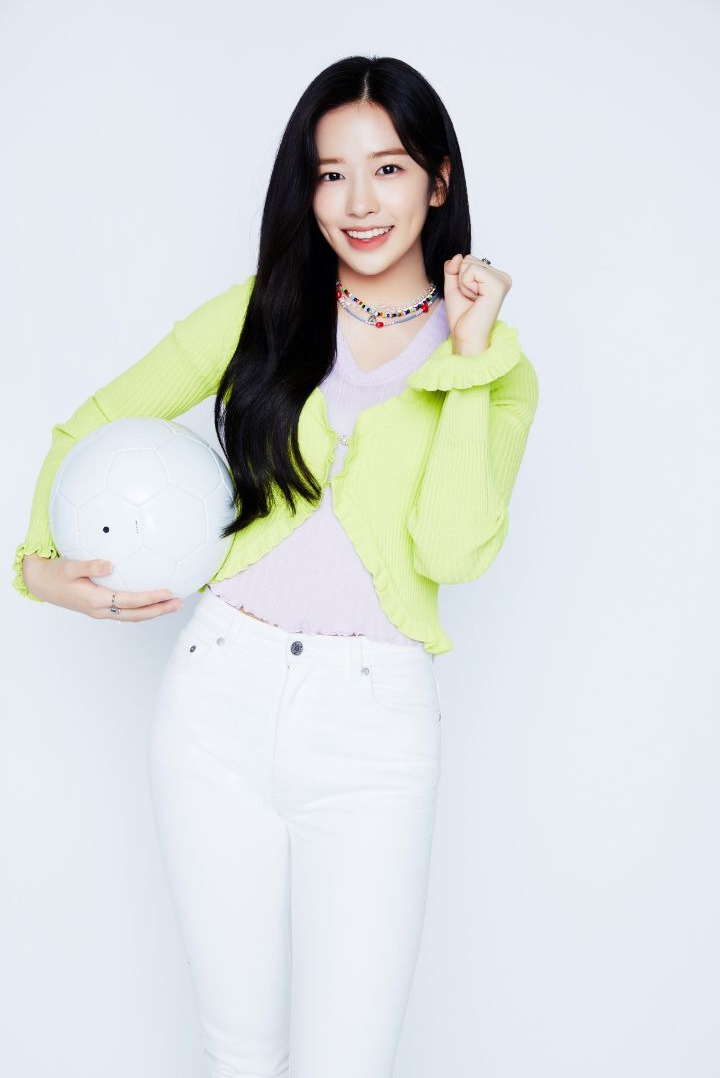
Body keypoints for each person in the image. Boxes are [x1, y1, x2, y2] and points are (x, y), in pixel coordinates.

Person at [13, 55, 539, 1078]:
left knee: (349, 1062)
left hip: (373, 731)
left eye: (388, 169)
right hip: (217, 699)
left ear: (438, 181)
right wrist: (37, 565)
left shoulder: (495, 366)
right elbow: (92, 424)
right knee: (238, 1051)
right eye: (331, 173)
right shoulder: (260, 310)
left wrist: (470, 360)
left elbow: (452, 550)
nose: (358, 202)